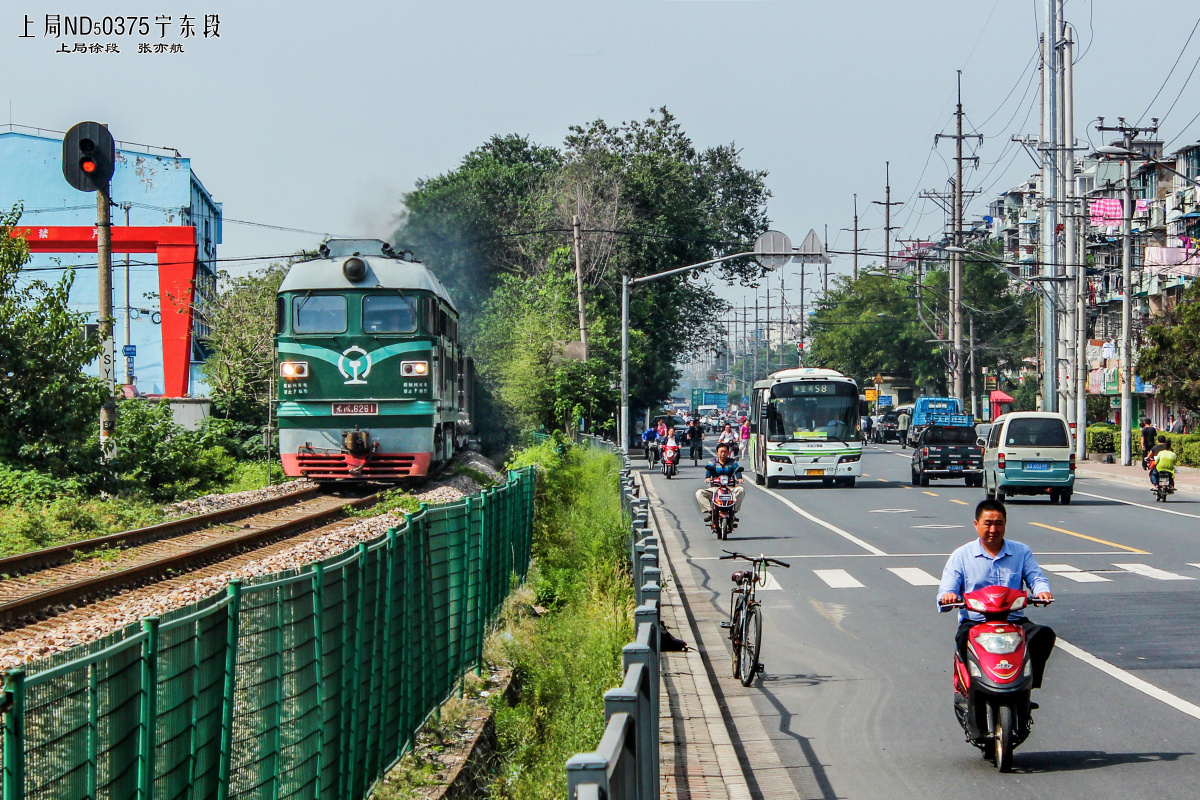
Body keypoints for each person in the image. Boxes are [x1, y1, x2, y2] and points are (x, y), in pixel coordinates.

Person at [937, 499, 1056, 691]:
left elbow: (1036, 577)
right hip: (976, 623)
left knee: (1044, 635)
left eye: (998, 523)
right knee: (962, 640)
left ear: (1005, 524)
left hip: (1014, 622)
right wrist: (948, 596)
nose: (993, 529)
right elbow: (947, 588)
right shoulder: (961, 555)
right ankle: (969, 689)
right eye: (988, 523)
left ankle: (1026, 686)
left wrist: (1042, 591)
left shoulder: (1021, 551)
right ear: (976, 525)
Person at [696, 443, 745, 521]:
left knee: (741, 490)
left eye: (725, 452)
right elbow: (709, 470)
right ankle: (710, 511)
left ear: (728, 453)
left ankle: (733, 511)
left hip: (730, 489)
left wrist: (739, 478)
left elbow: (737, 470)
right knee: (699, 493)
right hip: (715, 489)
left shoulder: (733, 462)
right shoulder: (712, 462)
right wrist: (708, 478)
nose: (723, 454)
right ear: (717, 453)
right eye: (721, 452)